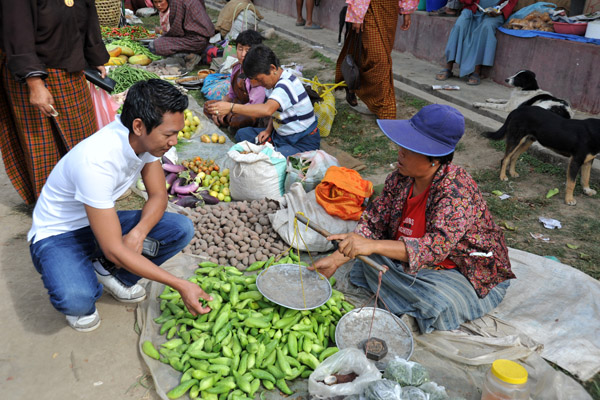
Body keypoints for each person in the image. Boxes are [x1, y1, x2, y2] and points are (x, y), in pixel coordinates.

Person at [312, 104, 515, 333]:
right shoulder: (399, 179)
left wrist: (370, 246)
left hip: (459, 268)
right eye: (402, 145)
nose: (400, 151)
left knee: (437, 301)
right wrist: (338, 259)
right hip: (410, 260)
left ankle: (407, 295)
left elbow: (435, 247)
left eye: (410, 148)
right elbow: (373, 222)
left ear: (434, 159)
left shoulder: (456, 190)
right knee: (369, 260)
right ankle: (401, 291)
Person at [28, 80, 212, 332]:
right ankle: (83, 270)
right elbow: (114, 248)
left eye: (177, 133)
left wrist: (138, 233)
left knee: (179, 228)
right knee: (79, 300)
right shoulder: (97, 161)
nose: (173, 141)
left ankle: (110, 272)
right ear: (139, 126)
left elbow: (158, 196)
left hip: (96, 225)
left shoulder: (144, 143)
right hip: (58, 235)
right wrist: (180, 284)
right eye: (168, 134)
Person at [0, 0, 109, 205]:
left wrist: (94, 55)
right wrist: (34, 81)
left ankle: (86, 194)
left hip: (70, 67)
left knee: (83, 136)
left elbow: (86, 10)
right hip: (33, 72)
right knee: (42, 145)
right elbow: (17, 30)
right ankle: (52, 205)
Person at [207, 45, 320, 158]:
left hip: (301, 142)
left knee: (271, 159)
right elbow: (275, 112)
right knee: (242, 134)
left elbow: (268, 110)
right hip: (280, 136)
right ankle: (271, 149)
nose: (257, 84)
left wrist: (231, 107)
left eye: (259, 79)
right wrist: (268, 130)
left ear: (272, 68)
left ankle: (273, 153)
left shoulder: (285, 85)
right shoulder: (272, 83)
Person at [335, 0, 418, 119]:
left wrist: (407, 11)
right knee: (379, 59)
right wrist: (357, 14)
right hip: (369, 8)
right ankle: (384, 108)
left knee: (371, 55)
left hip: (390, 11)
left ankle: (353, 85)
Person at [435, 0, 518, 85]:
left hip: (495, 14)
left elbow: (511, 2)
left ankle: (476, 71)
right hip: (473, 9)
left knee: (486, 27)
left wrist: (501, 12)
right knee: (460, 25)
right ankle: (448, 66)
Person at [203, 30, 266, 131]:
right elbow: (231, 95)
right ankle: (226, 120)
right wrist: (220, 108)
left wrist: (229, 110)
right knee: (208, 106)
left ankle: (229, 121)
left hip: (250, 111)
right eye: (240, 49)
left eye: (247, 50)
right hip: (236, 105)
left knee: (239, 120)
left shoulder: (258, 74)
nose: (243, 54)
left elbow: (255, 105)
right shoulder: (237, 68)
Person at [149, 0, 215, 57]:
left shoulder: (176, 2)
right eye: (155, 2)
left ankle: (188, 57)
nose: (158, 5)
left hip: (196, 41)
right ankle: (196, 52)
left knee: (154, 46)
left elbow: (177, 33)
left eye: (160, 1)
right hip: (203, 38)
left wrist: (161, 32)